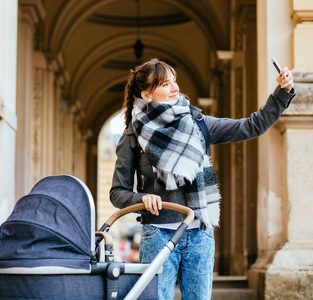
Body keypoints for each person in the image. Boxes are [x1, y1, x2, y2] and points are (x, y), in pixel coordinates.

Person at [110, 58, 295, 299]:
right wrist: (142, 198)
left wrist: (282, 93)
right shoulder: (133, 136)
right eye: (165, 84)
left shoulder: (197, 125)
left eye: (174, 81)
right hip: (158, 234)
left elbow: (252, 126)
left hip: (199, 234)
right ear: (146, 94)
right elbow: (117, 192)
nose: (175, 88)